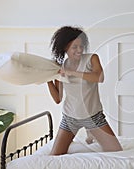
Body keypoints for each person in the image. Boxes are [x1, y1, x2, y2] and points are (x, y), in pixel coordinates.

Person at [47, 26, 123, 155]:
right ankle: (89, 136)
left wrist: (72, 72)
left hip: (93, 116)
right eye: (74, 47)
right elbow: (58, 99)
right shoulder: (62, 66)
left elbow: (99, 77)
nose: (79, 50)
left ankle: (91, 133)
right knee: (54, 156)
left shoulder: (91, 58)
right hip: (70, 118)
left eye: (81, 46)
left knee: (116, 152)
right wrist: (48, 78)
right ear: (65, 47)